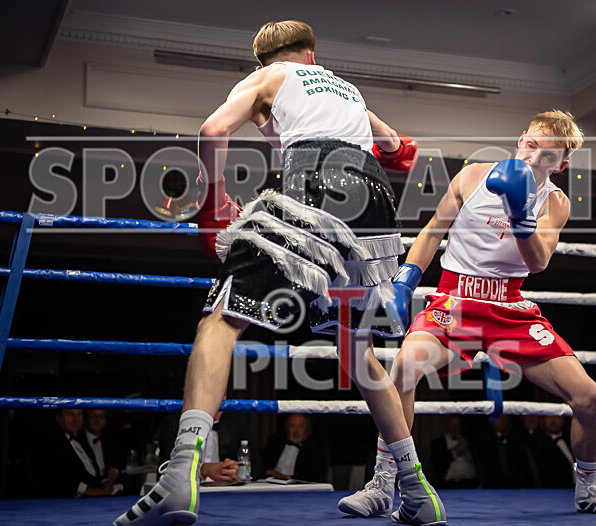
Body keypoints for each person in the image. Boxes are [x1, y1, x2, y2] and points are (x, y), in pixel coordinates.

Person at [115, 20, 444, 526]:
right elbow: (402, 151)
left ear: (264, 59)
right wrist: (388, 149)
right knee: (357, 350)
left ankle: (181, 475)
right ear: (312, 54)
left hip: (315, 179)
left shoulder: (267, 78)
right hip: (377, 205)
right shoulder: (348, 89)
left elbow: (212, 130)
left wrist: (210, 208)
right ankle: (417, 489)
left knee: (221, 319)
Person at [340, 111, 596, 516]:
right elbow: (433, 230)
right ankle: (384, 484)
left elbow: (538, 262)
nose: (534, 159)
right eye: (531, 146)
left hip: (511, 309)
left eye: (548, 156)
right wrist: (406, 279)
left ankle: (589, 488)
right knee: (403, 368)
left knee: (590, 398)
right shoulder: (474, 175)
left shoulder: (555, 202)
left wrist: (520, 216)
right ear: (520, 140)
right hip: (455, 300)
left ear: (561, 164)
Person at [42, 408, 120, 497]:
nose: (75, 419)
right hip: (67, 501)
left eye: (79, 415)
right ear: (58, 417)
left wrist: (103, 482)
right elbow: (56, 477)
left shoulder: (80, 440)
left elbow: (87, 473)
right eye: (70, 414)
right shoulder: (51, 442)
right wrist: (93, 491)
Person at [262, 413, 327, 482]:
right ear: (287, 427)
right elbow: (262, 465)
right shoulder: (275, 443)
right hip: (271, 483)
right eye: (292, 426)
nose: (296, 431)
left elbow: (315, 476)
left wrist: (285, 477)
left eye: (301, 426)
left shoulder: (315, 449)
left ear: (307, 428)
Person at [428, 416, 479, 488]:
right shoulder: (438, 444)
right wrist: (455, 451)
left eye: (457, 425)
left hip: (471, 484)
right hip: (449, 484)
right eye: (452, 424)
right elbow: (438, 464)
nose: (455, 427)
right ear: (447, 425)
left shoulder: (470, 442)